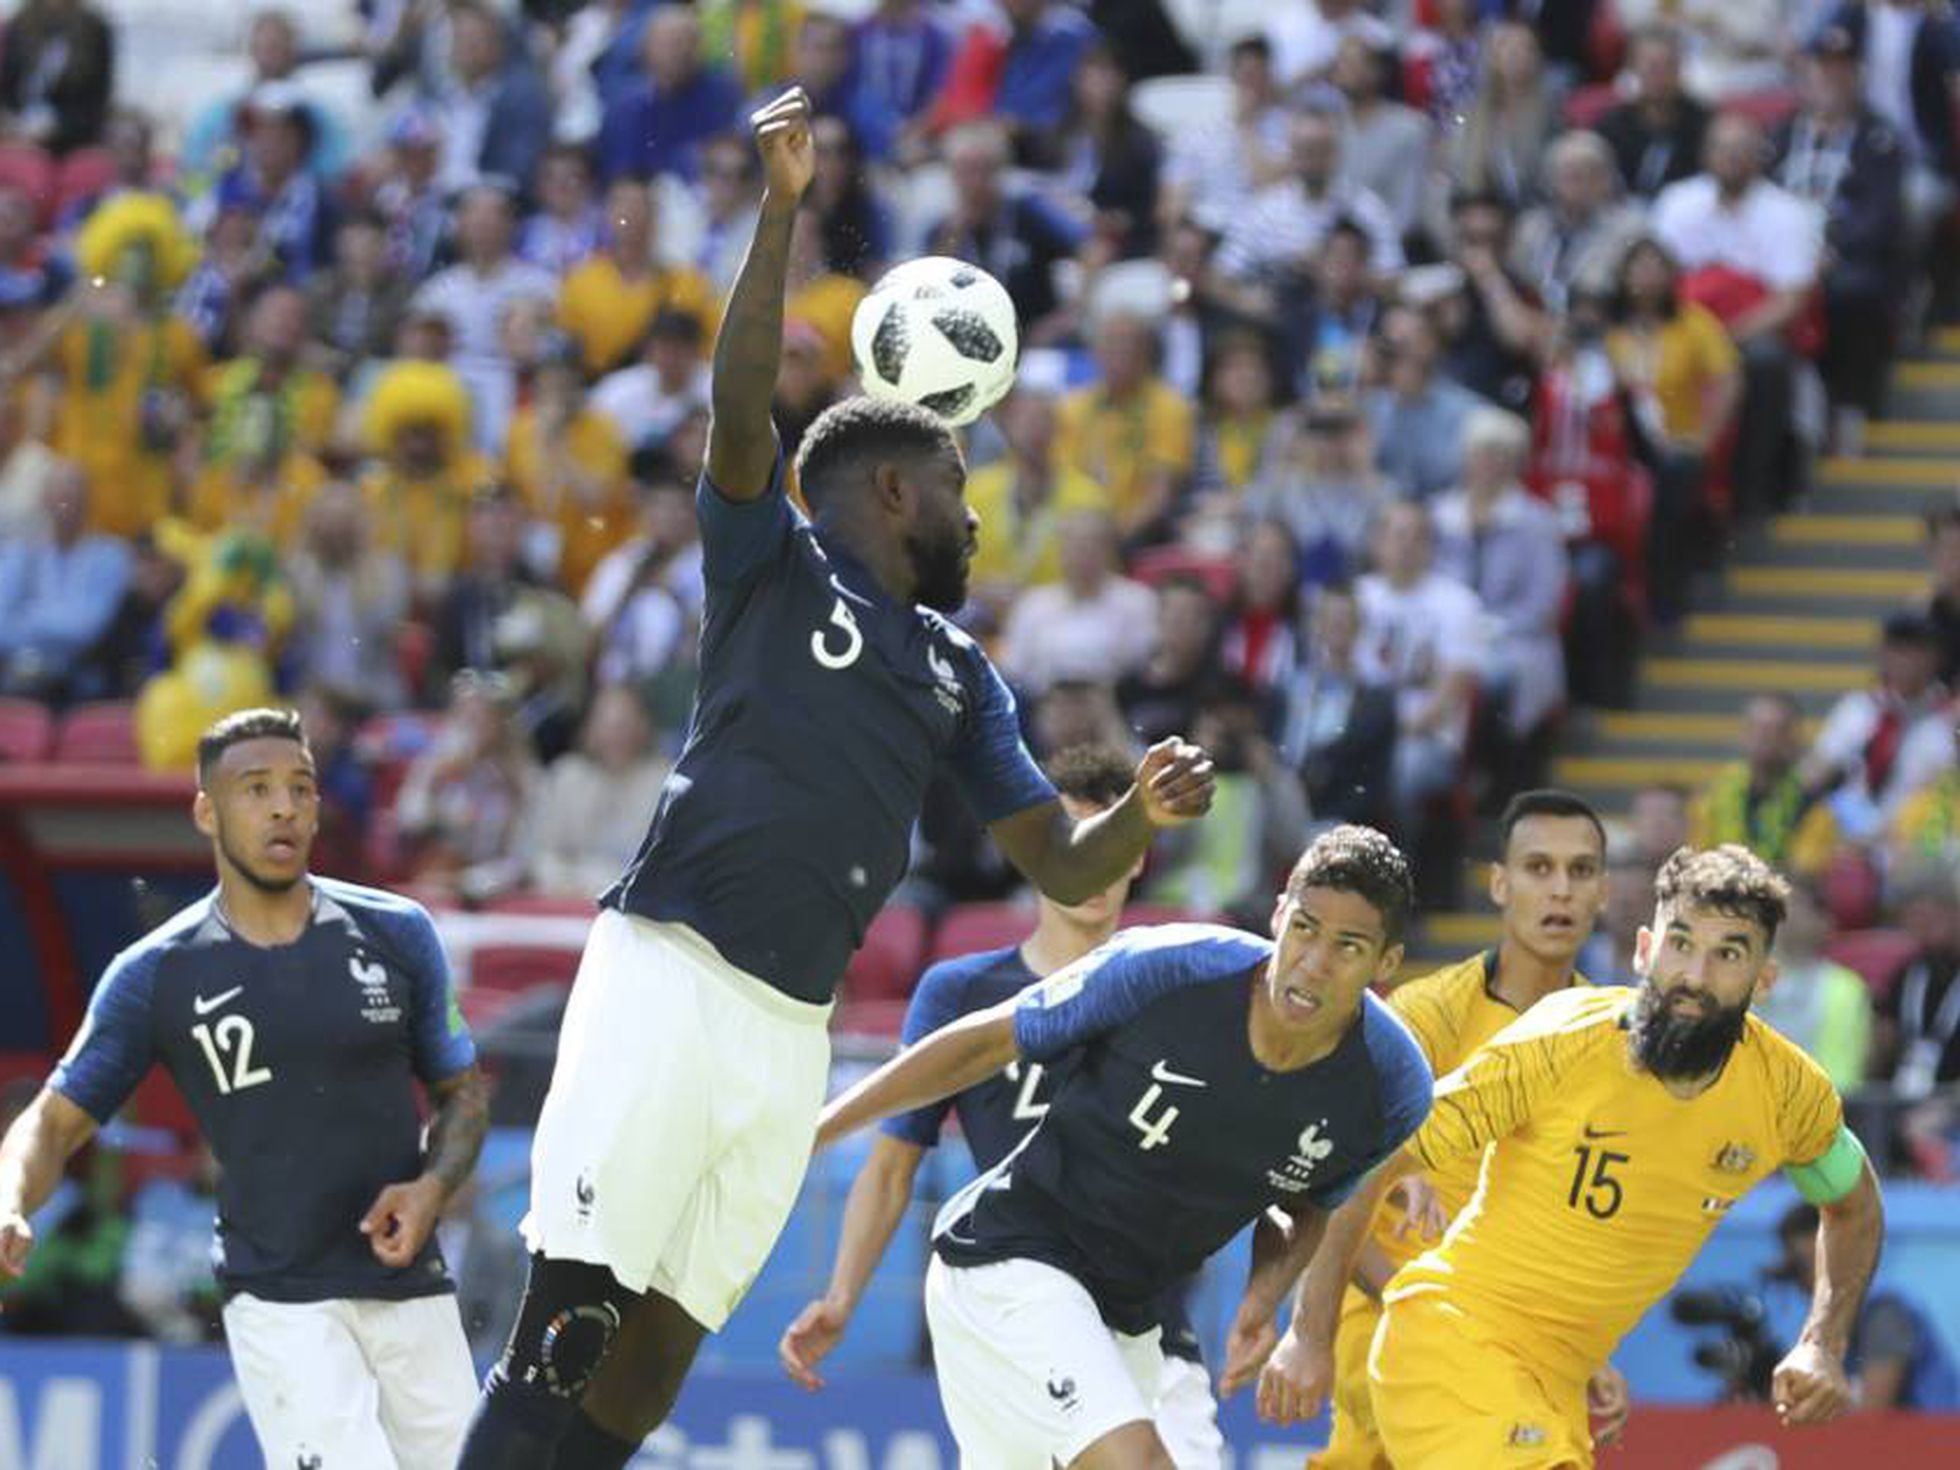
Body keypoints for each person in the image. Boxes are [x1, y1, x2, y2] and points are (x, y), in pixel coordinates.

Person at [456, 88, 1215, 1470]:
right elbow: (740, 401)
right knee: (565, 1332)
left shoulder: (960, 671)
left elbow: (1059, 863)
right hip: (671, 972)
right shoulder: (768, 561)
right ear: (886, 493)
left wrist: (1138, 820)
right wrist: (780, 207)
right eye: (957, 487)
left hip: (785, 1031)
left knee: (649, 1367)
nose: (978, 515)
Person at [815, 825, 1433, 1466]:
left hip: (1130, 1320)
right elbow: (981, 1042)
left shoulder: (1390, 1088)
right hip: (1008, 1259)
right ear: (1279, 914)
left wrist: (1267, 1297)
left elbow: (1309, 1204)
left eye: (1348, 947)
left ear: (1386, 963)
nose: (1314, 961)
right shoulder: (1171, 969)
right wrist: (821, 1130)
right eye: (1304, 928)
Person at [1273, 845, 1887, 1466]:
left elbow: (1854, 1205)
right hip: (1449, 1340)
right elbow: (1371, 1161)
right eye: (1680, 943)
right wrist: (1308, 1334)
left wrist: (1823, 1343)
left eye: (1727, 953)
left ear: (1763, 980)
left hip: (1558, 1384)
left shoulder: (1787, 1092)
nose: (1695, 976)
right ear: (1645, 950)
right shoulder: (1563, 1040)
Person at [0, 708, 489, 1466]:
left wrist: (431, 1188)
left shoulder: (398, 932)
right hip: (281, 1299)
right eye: (255, 789)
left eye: (300, 788)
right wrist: (8, 1197)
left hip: (412, 1289)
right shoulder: (156, 974)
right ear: (207, 810)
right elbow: (51, 1123)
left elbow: (463, 1092)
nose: (283, 807)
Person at [778, 745, 1222, 1461]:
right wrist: (840, 1298)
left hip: (1151, 1329)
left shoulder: (1179, 995)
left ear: (1140, 858)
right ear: (1039, 856)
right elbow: (892, 1167)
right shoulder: (960, 994)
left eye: (1120, 841)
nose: (1098, 865)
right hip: (1011, 1322)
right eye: (1079, 841)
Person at [1311, 790, 1621, 1468]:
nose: (1560, 890)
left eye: (1581, 870)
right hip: (1392, 1327)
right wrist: (1400, 1309)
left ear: (1604, 890)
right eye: (1539, 869)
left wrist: (1582, 1349)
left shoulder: (1611, 1043)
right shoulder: (1425, 1019)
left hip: (1519, 1350)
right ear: (1500, 885)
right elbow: (1327, 1183)